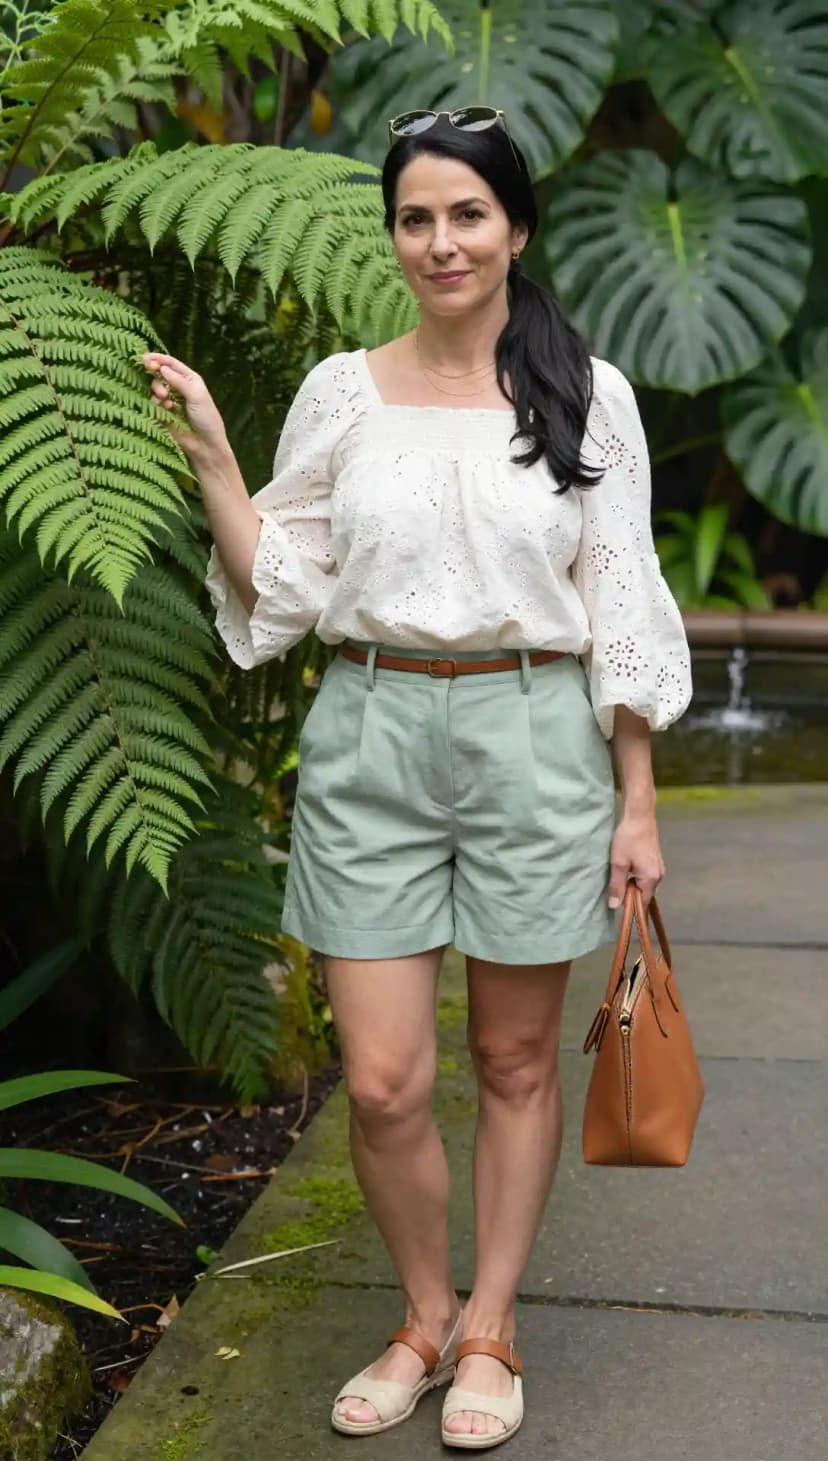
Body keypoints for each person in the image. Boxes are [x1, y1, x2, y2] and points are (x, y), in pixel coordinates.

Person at [142, 105, 692, 1451]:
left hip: (535, 736)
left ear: (516, 229)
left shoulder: (587, 393)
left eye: (467, 215)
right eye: (415, 217)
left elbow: (620, 598)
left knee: (512, 1056)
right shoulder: (344, 389)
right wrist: (214, 453)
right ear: (393, 234)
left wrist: (637, 802)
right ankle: (424, 1315)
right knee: (384, 1080)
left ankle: (491, 1326)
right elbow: (284, 584)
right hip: (371, 732)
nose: (442, 242)